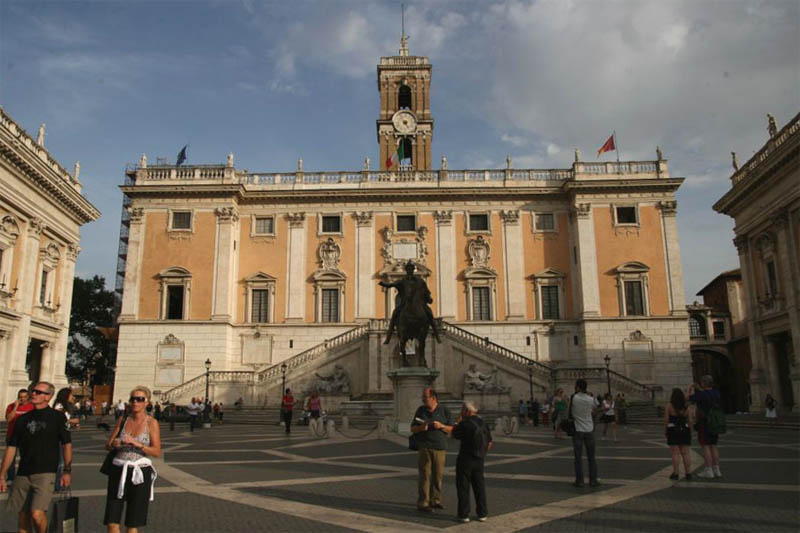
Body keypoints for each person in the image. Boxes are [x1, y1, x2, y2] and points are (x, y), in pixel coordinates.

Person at [0, 382, 72, 533]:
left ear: (49, 396)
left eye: (39, 392)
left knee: (37, 514)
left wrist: (67, 470)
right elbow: (12, 447)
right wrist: (2, 474)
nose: (34, 394)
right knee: (22, 516)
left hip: (46, 472)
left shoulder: (57, 417)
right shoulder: (22, 420)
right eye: (33, 391)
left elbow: (67, 444)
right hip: (23, 472)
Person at [104, 386, 161, 532]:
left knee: (132, 524)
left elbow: (156, 451)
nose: (135, 402)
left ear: (147, 402)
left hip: (139, 474)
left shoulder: (151, 423)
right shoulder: (122, 420)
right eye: (133, 399)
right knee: (112, 521)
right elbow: (108, 445)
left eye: (140, 399)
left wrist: (138, 444)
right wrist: (114, 444)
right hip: (118, 470)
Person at [411, 387, 453, 512]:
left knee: (437, 476)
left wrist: (442, 426)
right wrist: (421, 427)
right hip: (424, 446)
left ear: (433, 398)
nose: (423, 400)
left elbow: (452, 429)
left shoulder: (445, 410)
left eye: (425, 397)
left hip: (439, 447)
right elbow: (413, 428)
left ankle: (435, 500)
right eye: (423, 397)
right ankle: (423, 502)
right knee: (424, 475)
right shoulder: (421, 410)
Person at [451, 400, 491, 523]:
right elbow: (489, 443)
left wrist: (457, 423)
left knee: (463, 486)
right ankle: (482, 513)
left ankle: (464, 514)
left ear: (467, 411)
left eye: (462, 409)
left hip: (465, 458)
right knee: (479, 486)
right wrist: (482, 454)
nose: (461, 412)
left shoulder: (464, 423)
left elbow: (454, 434)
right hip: (479, 459)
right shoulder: (483, 422)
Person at [689, 375, 722, 479]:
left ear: (703, 383)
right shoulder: (716, 393)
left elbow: (689, 399)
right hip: (715, 422)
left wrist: (690, 389)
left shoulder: (701, 395)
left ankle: (708, 470)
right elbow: (706, 395)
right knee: (714, 446)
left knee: (706, 446)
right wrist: (699, 389)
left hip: (704, 423)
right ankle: (717, 470)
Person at [570, 379, 600, 488]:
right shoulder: (591, 399)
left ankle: (580, 480)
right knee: (591, 457)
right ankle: (593, 480)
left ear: (577, 387)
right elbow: (596, 408)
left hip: (578, 430)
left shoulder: (574, 398)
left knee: (578, 457)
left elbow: (572, 413)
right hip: (589, 429)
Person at [4, 388, 34, 484]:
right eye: (20, 397)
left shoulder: (31, 407)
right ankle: (10, 478)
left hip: (25, 436)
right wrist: (15, 407)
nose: (23, 399)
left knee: (25, 457)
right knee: (10, 459)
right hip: (12, 435)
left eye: (25, 397)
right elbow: (9, 419)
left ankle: (24, 477)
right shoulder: (11, 406)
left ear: (28, 397)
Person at [53, 388, 79, 491]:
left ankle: (58, 483)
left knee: (62, 461)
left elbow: (64, 423)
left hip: (64, 435)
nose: (73, 397)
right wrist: (71, 421)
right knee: (59, 462)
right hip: (57, 437)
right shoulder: (59, 405)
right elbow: (56, 420)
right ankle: (56, 484)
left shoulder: (67, 407)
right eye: (71, 395)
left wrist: (73, 425)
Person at [665, 387, 692, 481]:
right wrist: (690, 431)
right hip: (685, 429)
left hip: (673, 429)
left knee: (675, 453)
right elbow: (690, 420)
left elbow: (666, 420)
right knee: (686, 453)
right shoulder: (686, 406)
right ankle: (688, 473)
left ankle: (676, 473)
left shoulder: (669, 405)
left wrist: (665, 430)